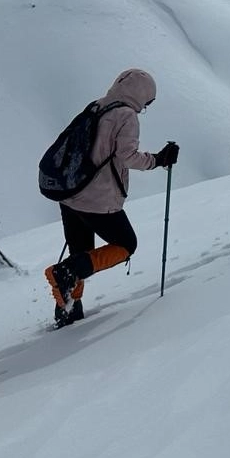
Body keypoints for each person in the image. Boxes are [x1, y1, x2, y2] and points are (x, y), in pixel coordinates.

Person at [44, 68, 176, 326]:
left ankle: (68, 309)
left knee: (80, 251)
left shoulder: (97, 105)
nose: (145, 107)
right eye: (147, 102)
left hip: (70, 192)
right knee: (126, 244)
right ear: (142, 96)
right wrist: (158, 160)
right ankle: (66, 274)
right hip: (97, 198)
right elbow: (127, 156)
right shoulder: (127, 115)